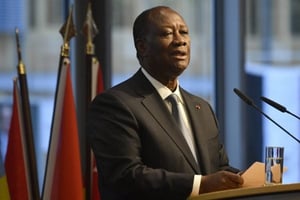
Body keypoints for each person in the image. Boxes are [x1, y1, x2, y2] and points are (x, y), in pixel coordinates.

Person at [87, 6, 244, 200]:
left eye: (184, 32)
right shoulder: (115, 104)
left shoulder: (202, 108)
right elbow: (126, 175)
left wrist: (250, 180)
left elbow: (218, 169)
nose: (180, 41)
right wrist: (200, 185)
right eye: (167, 33)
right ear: (142, 46)